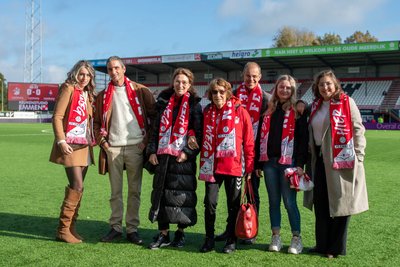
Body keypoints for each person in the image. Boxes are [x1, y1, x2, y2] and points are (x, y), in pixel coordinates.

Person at [304, 70, 368, 258]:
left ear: (335, 84)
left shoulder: (347, 102)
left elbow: (358, 129)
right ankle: (321, 244)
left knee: (342, 204)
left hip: (343, 160)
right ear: (317, 87)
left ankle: (335, 247)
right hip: (319, 162)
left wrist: (359, 156)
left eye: (328, 83)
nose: (325, 87)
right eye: (321, 84)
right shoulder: (315, 105)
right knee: (321, 203)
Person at [93, 56, 156, 244]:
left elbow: (155, 118)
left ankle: (132, 229)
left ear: (123, 69)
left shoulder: (140, 90)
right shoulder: (103, 95)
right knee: (115, 192)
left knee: (134, 191)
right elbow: (96, 123)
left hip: (135, 146)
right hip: (112, 147)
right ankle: (115, 227)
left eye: (116, 68)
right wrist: (103, 143)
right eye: (110, 69)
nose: (113, 72)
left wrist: (146, 141)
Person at [146, 68, 203, 249]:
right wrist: (152, 151)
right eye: (177, 82)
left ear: (190, 85)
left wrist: (187, 152)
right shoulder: (163, 101)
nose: (180, 85)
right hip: (163, 156)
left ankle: (180, 233)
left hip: (182, 158)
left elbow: (199, 133)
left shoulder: (194, 104)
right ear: (173, 82)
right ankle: (163, 233)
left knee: (181, 196)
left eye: (184, 83)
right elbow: (155, 129)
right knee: (161, 195)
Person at [215, 62, 270, 245]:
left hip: (254, 155)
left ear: (260, 76)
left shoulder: (267, 99)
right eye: (248, 75)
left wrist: (259, 163)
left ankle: (250, 231)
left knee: (252, 193)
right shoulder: (234, 95)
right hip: (234, 156)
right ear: (242, 75)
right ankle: (231, 229)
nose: (251, 79)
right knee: (233, 196)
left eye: (254, 76)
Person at [199, 78, 255, 254]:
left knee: (233, 205)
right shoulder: (207, 111)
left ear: (228, 93)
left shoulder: (240, 111)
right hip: (211, 166)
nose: (218, 95)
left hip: (234, 167)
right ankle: (209, 238)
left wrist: (250, 167)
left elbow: (248, 141)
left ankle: (231, 239)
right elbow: (199, 132)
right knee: (209, 203)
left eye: (221, 92)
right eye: (214, 92)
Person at [255, 75, 308, 254]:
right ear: (276, 88)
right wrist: (257, 164)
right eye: (281, 87)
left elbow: (303, 141)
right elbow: (259, 139)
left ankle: (296, 238)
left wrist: (300, 164)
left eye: (288, 88)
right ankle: (275, 236)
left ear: (292, 90)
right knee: (273, 202)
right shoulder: (268, 110)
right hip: (269, 163)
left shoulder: (297, 112)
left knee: (289, 202)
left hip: (289, 163)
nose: (284, 90)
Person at [49, 60, 96, 243]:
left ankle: (70, 227)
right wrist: (61, 141)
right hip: (69, 145)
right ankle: (62, 229)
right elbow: (57, 116)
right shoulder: (68, 88)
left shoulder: (87, 94)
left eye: (88, 75)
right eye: (81, 74)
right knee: (76, 185)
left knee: (80, 188)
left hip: (84, 146)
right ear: (75, 74)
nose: (84, 78)